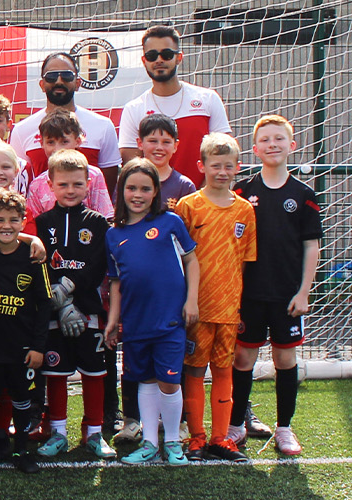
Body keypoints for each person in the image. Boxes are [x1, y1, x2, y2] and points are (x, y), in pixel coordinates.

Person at [228, 115, 320, 456]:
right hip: (249, 294)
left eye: (279, 139)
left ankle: (284, 428)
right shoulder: (242, 192)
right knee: (242, 358)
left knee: (285, 358)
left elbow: (311, 245)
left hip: (287, 296)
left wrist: (303, 291)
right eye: (265, 140)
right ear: (255, 149)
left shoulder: (304, 195)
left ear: (291, 145)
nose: (272, 144)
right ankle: (236, 424)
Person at [105, 161, 200, 466]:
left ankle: (172, 442)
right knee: (144, 380)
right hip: (135, 321)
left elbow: (192, 262)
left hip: (170, 319)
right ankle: (149, 443)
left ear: (155, 192)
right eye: (131, 188)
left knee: (169, 381)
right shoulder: (113, 234)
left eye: (145, 188)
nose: (138, 194)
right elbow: (116, 281)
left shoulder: (170, 222)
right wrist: (113, 320)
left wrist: (192, 301)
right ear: (121, 191)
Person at [173, 133, 256, 462]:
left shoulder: (245, 210)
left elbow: (245, 262)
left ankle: (221, 439)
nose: (222, 171)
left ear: (238, 167)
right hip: (195, 309)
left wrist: (235, 300)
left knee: (224, 371)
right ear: (201, 166)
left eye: (229, 166)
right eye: (215, 165)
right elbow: (177, 258)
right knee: (193, 371)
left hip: (228, 309)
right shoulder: (188, 206)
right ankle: (196, 438)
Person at [33, 149, 118, 461]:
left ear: (88, 185)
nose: (71, 191)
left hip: (88, 312)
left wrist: (71, 288)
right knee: (56, 372)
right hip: (54, 311)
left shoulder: (98, 224)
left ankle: (94, 433)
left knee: (94, 373)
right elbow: (40, 262)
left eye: (77, 185)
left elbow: (98, 264)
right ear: (51, 186)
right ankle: (56, 431)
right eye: (64, 185)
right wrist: (59, 297)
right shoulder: (42, 223)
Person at [0, 188, 50, 476]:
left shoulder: (32, 257)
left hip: (23, 348)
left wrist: (38, 347)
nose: (7, 226)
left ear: (23, 220)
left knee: (22, 399)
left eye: (14, 220)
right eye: (0, 219)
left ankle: (22, 450)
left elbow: (44, 304)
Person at [118, 25, 230, 188]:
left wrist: (202, 200)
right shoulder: (133, 109)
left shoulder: (208, 99)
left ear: (179, 57)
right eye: (152, 55)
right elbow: (133, 167)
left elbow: (225, 155)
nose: (159, 60)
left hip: (202, 204)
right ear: (144, 61)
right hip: (155, 207)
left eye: (167, 54)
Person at [8, 52, 121, 190]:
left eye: (67, 76)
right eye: (52, 76)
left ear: (78, 83)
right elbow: (20, 181)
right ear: (42, 85)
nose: (59, 81)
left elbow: (107, 186)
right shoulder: (21, 130)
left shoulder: (103, 126)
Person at [24, 110, 115, 219]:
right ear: (41, 143)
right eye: (51, 142)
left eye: (64, 142)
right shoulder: (37, 185)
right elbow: (34, 224)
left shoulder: (94, 175)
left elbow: (105, 217)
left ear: (78, 141)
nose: (57, 148)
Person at [135, 114, 198, 206]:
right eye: (153, 141)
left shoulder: (184, 186)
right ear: (140, 143)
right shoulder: (128, 179)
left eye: (166, 142)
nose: (159, 147)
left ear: (175, 146)